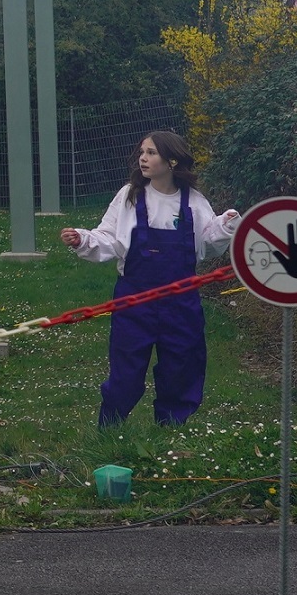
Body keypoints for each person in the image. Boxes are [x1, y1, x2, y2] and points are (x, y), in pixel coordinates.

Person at [60, 130, 237, 427]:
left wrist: (226, 225)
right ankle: (110, 427)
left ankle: (171, 427)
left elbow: (206, 245)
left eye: (152, 153)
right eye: (142, 152)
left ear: (171, 161)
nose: (143, 158)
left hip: (181, 301)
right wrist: (82, 240)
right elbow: (109, 238)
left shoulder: (193, 202)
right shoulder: (129, 195)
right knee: (126, 369)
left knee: (181, 365)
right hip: (134, 300)